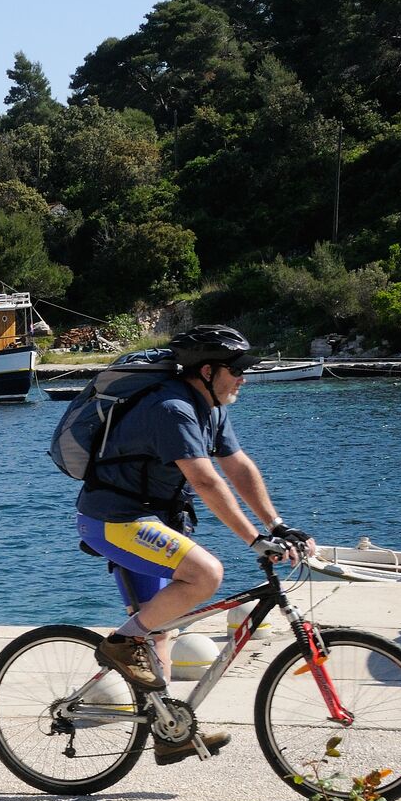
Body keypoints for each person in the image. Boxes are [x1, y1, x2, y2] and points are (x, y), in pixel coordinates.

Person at [73, 325, 315, 765]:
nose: (243, 378)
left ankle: (169, 732)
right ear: (207, 371)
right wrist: (254, 539)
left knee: (159, 633)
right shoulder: (172, 409)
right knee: (205, 575)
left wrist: (277, 525)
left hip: (151, 522)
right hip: (113, 520)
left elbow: (237, 467)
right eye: (236, 370)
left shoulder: (210, 408)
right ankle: (120, 644)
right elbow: (205, 480)